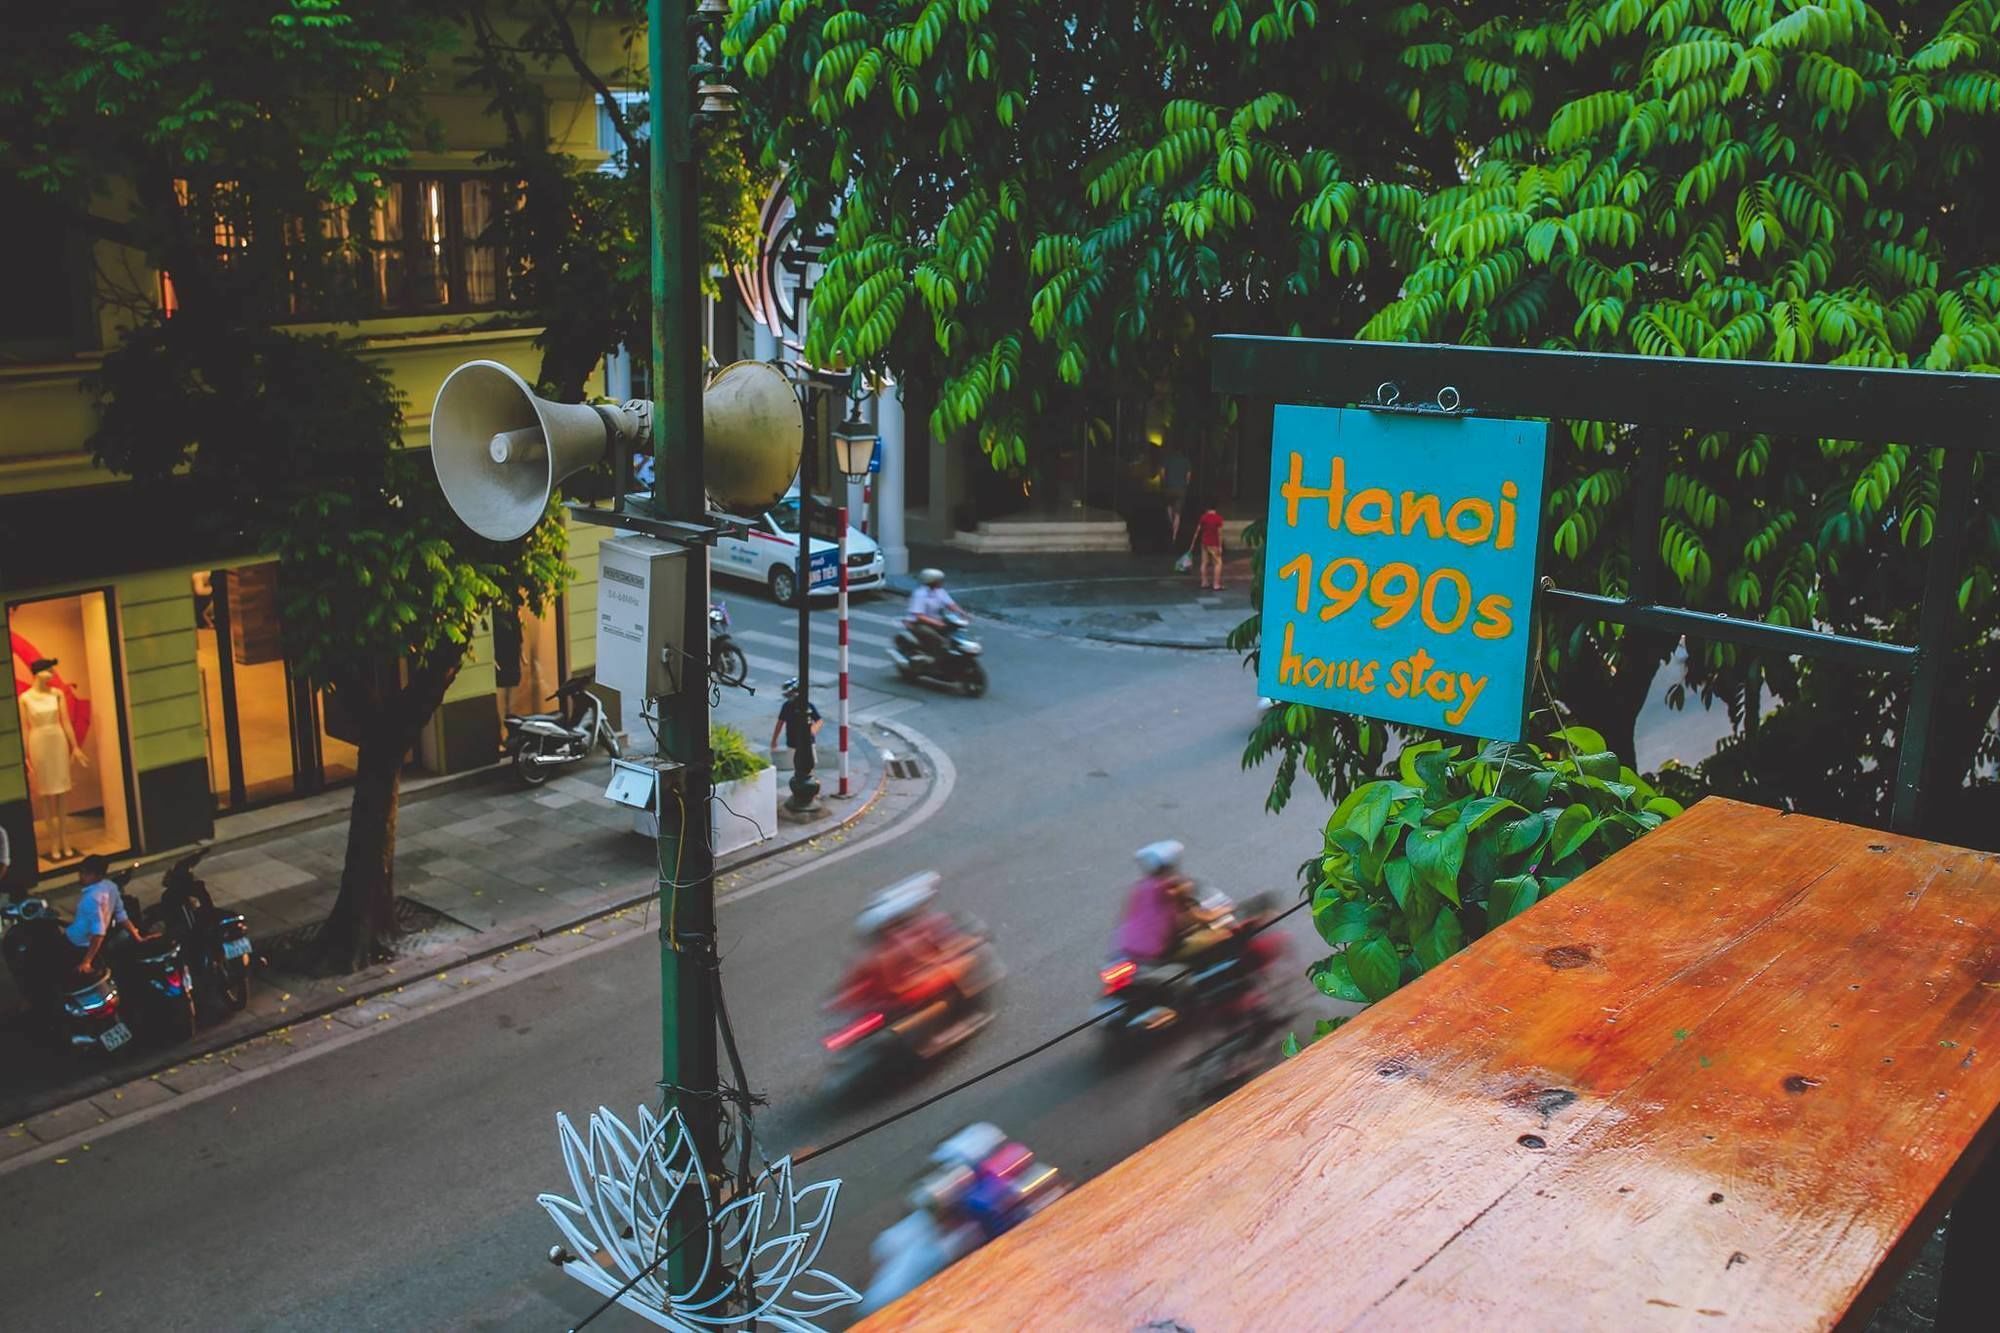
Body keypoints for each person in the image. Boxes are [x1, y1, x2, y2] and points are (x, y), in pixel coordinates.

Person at [1112, 841, 1232, 966]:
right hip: (1158, 952)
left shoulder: (1139, 888)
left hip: (1129, 950)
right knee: (1222, 937)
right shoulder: (1170, 891)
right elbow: (1198, 917)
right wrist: (1224, 910)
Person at [64, 854, 147, 978]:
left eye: (86, 873)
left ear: (98, 875)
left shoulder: (91, 898)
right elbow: (121, 914)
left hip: (77, 942)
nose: (81, 876)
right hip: (80, 935)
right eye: (81, 872)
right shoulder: (110, 886)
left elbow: (98, 932)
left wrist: (87, 961)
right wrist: (137, 937)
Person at [905, 568, 963, 663]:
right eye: (939, 580)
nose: (941, 582)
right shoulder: (920, 594)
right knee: (938, 639)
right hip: (918, 623)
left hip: (936, 621)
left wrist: (962, 613)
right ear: (932, 581)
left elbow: (950, 604)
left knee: (954, 632)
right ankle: (935, 660)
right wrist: (936, 623)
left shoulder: (940, 592)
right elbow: (919, 615)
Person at [770, 677, 823, 755]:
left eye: (790, 694)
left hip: (808, 743)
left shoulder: (807, 705)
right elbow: (780, 723)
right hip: (792, 743)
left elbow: (819, 720)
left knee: (809, 764)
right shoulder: (786, 706)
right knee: (794, 765)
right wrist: (774, 740)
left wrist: (813, 730)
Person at [1194, 505, 1226, 592]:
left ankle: (1204, 582)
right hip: (1214, 544)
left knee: (1204, 562)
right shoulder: (1218, 518)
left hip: (1204, 543)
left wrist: (1193, 543)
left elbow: (1198, 530)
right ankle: (1216, 584)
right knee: (1218, 563)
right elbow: (1220, 534)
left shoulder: (1203, 517)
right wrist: (1220, 546)